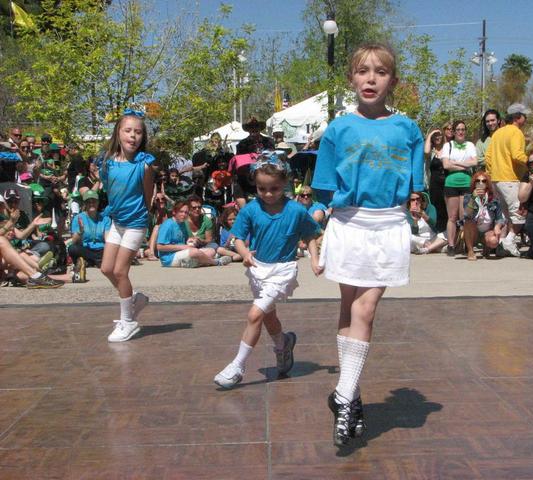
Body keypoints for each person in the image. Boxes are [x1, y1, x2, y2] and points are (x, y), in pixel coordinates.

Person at [311, 43, 424, 446]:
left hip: (388, 224)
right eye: (362, 71)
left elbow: (415, 189)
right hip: (347, 223)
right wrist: (313, 232)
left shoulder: (408, 129)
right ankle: (351, 394)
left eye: (379, 71)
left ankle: (341, 395)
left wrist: (418, 216)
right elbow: (324, 192)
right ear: (351, 78)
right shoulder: (338, 129)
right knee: (349, 307)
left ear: (392, 80)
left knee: (367, 306)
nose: (370, 78)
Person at [214, 154, 322, 388]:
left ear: (285, 184)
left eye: (273, 188)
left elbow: (310, 235)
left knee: (255, 314)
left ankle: (237, 366)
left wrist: (315, 260)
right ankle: (283, 344)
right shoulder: (251, 210)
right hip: (258, 269)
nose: (268, 194)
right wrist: (245, 254)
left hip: (283, 270)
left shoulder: (295, 211)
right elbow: (238, 238)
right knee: (268, 316)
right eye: (262, 189)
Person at [98, 109, 155, 343]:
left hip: (135, 223)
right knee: (106, 269)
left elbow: (148, 195)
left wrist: (144, 218)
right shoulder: (108, 163)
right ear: (118, 133)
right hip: (116, 222)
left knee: (121, 271)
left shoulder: (144, 165)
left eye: (138, 132)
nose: (133, 136)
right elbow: (109, 190)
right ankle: (133, 299)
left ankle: (128, 321)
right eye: (128, 131)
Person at [485, 112, 528, 257]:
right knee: (519, 214)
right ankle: (509, 239)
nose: (525, 121)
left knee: (505, 214)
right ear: (517, 118)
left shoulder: (497, 133)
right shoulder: (516, 132)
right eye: (524, 118)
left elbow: (488, 157)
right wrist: (532, 162)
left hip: (497, 179)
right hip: (510, 177)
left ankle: (503, 243)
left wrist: (492, 173)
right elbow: (517, 155)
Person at [156, 201, 231, 268]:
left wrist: (190, 240)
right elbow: (160, 247)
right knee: (194, 252)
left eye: (186, 212)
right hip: (169, 258)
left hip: (181, 253)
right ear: (174, 212)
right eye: (181, 212)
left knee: (211, 251)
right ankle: (216, 262)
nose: (184, 214)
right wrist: (182, 247)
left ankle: (192, 263)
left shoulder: (182, 224)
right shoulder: (168, 224)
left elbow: (185, 241)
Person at [442, 120, 478, 256]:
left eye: (463, 129)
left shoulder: (470, 145)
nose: (461, 132)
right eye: (458, 129)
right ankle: (451, 245)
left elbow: (474, 162)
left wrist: (455, 162)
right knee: (452, 216)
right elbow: (446, 165)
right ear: (454, 131)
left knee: (465, 216)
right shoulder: (448, 145)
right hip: (451, 183)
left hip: (466, 183)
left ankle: (465, 244)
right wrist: (464, 165)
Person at [68, 190, 112, 281]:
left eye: (94, 201)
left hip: (101, 250)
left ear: (98, 202)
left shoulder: (105, 219)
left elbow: (107, 240)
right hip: (86, 249)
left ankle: (90, 261)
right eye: (88, 202)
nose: (91, 204)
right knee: (72, 248)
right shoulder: (78, 218)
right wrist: (80, 231)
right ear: (84, 204)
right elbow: (74, 241)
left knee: (114, 250)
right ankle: (96, 261)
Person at [462, 172, 505, 261]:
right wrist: (473, 198)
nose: (481, 183)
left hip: (487, 231)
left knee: (493, 241)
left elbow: (500, 218)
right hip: (474, 232)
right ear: (474, 183)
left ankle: (487, 248)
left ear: (487, 184)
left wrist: (497, 226)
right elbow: (467, 215)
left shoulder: (494, 199)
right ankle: (470, 251)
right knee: (468, 221)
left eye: (484, 181)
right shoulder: (468, 197)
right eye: (478, 181)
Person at [423, 129, 447, 234]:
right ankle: (438, 232)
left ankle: (448, 234)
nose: (437, 137)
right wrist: (430, 134)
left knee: (448, 210)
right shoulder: (431, 151)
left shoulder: (448, 149)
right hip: (434, 185)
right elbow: (426, 152)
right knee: (437, 209)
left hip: (447, 184)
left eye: (439, 135)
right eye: (435, 136)